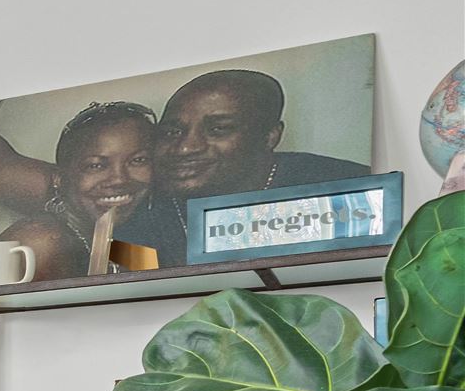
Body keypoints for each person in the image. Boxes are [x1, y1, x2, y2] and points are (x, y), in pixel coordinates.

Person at [114, 67, 363, 264]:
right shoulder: (135, 214)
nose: (185, 147)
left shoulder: (346, 187)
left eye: (217, 130)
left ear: (270, 136)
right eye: (172, 131)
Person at [0, 102, 155, 281]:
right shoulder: (43, 242)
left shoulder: (116, 242)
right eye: (95, 165)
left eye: (138, 160)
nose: (120, 179)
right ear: (59, 179)